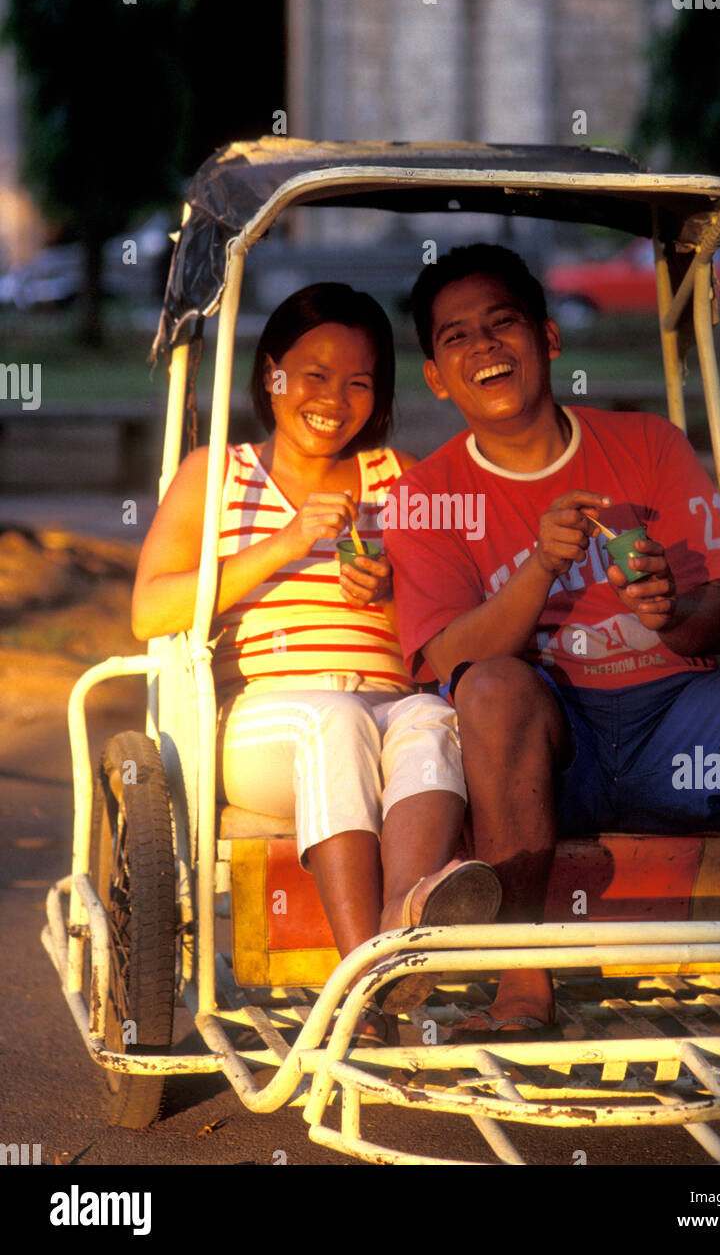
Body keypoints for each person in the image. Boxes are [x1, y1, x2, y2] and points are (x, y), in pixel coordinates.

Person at [382, 243, 720, 1040]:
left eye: (504, 324)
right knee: (492, 686)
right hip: (553, 755)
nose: (484, 347)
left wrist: (671, 612)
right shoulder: (424, 495)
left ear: (549, 340)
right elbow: (453, 662)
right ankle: (523, 984)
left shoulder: (648, 446)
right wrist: (536, 570)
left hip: (679, 725)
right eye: (456, 337)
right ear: (435, 374)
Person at [131, 283, 501, 1043]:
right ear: (271, 375)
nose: (335, 398)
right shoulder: (218, 474)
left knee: (434, 717)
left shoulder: (396, 477)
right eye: (313, 374)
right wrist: (287, 542)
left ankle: (401, 931)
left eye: (360, 382)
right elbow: (150, 609)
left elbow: (447, 626)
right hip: (265, 720)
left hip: (388, 699)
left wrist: (396, 594)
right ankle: (361, 971)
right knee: (331, 721)